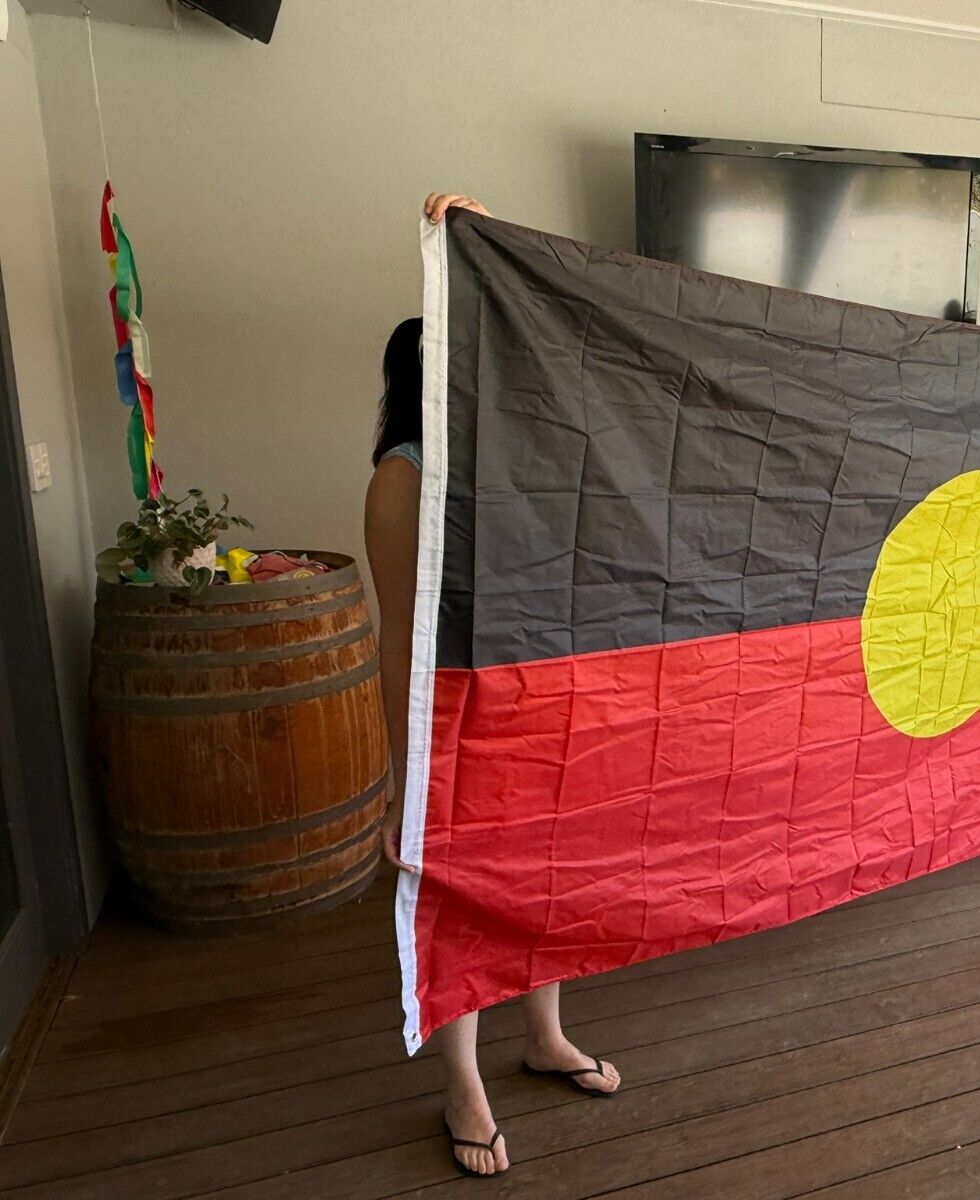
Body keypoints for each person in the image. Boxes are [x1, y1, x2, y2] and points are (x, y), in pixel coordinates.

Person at [365, 192, 622, 1179]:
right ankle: (462, 1084)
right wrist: (402, 779)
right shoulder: (402, 478)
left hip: (533, 716)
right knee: (463, 905)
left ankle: (546, 1037)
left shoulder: (510, 464)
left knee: (541, 887)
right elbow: (397, 644)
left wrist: (488, 236)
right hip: (451, 731)